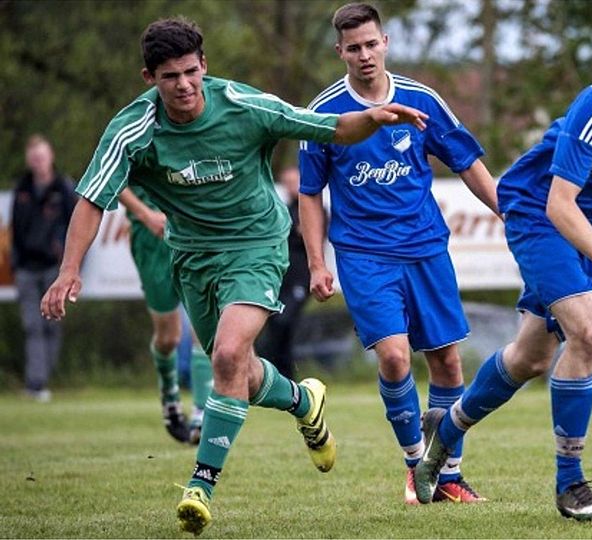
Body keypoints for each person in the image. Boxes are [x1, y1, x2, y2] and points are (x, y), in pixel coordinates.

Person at [39, 16, 428, 535]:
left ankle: (201, 485)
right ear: (148, 78)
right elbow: (91, 200)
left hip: (258, 247)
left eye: (190, 72)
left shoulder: (246, 106)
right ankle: (302, 399)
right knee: (238, 374)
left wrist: (374, 119)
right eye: (169, 76)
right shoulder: (133, 129)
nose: (183, 85)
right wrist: (69, 271)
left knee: (224, 355)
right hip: (193, 258)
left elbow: (331, 127)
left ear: (205, 67)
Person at [413, 4, 592, 521]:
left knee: (529, 358)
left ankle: (450, 426)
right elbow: (558, 204)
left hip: (587, 225)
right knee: (589, 333)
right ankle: (570, 487)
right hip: (538, 212)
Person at [298, 3, 499, 505]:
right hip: (364, 254)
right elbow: (308, 193)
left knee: (449, 364)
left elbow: (467, 160)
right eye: (353, 47)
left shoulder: (421, 98)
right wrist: (318, 262)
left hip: (425, 248)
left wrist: (506, 210)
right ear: (339, 51)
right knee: (393, 356)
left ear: (385, 42)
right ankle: (416, 467)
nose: (364, 55)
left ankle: (449, 474)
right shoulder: (323, 112)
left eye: (371, 44)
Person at [118, 186, 213, 443]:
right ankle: (170, 395)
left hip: (193, 230)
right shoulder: (130, 143)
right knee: (168, 337)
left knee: (203, 325)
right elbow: (113, 180)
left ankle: (202, 412)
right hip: (151, 238)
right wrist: (145, 214)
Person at [10, 135, 77, 402]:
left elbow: (79, 225)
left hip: (54, 268)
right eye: (34, 157)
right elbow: (14, 229)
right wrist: (16, 262)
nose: (38, 162)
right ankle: (36, 382)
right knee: (32, 326)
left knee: (52, 324)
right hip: (27, 267)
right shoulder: (22, 189)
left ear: (51, 157)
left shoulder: (64, 188)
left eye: (42, 156)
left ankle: (42, 377)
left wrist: (70, 264)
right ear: (29, 161)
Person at [256, 166, 310, 380]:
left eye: (293, 182)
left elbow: (307, 234)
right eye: (286, 183)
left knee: (284, 321)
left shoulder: (310, 209)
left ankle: (284, 372)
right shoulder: (284, 209)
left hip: (301, 278)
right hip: (282, 278)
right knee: (275, 322)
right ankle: (275, 375)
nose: (290, 187)